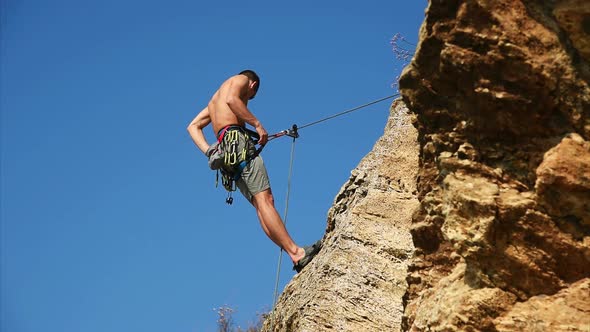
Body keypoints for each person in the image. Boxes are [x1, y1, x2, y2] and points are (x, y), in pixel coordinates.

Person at [187, 69, 320, 272]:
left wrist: (209, 151)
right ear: (253, 86)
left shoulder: (214, 102)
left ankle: (293, 253)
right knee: (266, 200)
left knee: (260, 204)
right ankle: (297, 253)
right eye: (250, 97)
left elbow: (193, 126)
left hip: (227, 154)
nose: (248, 99)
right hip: (238, 144)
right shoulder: (241, 80)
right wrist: (257, 125)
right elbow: (233, 100)